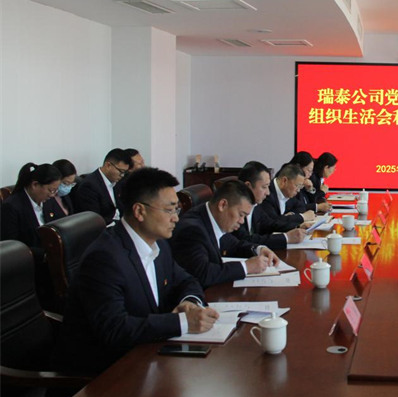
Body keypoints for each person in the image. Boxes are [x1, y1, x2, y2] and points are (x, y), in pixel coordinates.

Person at [54, 167, 217, 374]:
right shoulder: (104, 258)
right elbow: (115, 329)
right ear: (140, 211)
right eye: (169, 210)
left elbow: (186, 280)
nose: (176, 218)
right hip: (105, 374)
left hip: (148, 354)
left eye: (176, 210)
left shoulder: (159, 244)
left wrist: (190, 303)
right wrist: (182, 322)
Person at [170, 179, 278, 288]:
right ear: (223, 205)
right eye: (241, 215)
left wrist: (259, 249)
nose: (242, 221)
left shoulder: (212, 218)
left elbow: (235, 245)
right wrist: (246, 267)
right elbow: (203, 274)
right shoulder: (192, 230)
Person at [232, 161, 306, 248]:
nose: (268, 192)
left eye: (268, 186)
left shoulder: (256, 205)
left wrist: (297, 226)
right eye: (264, 187)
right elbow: (245, 240)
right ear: (248, 186)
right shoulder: (234, 208)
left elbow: (269, 224)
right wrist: (286, 238)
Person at [0, 162, 62, 262]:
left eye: (55, 190)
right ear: (35, 185)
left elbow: (61, 224)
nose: (52, 195)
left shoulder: (49, 200)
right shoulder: (11, 207)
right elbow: (12, 246)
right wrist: (46, 255)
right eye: (51, 190)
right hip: (31, 262)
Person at [72, 148, 132, 224]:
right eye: (121, 171)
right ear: (108, 165)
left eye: (125, 172)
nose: (122, 175)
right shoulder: (89, 186)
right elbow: (94, 220)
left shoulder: (117, 182)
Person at [260, 164, 315, 233]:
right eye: (297, 186)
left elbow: (301, 206)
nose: (298, 190)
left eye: (300, 187)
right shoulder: (267, 194)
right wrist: (302, 217)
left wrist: (291, 215)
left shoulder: (287, 192)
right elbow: (273, 222)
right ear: (284, 181)